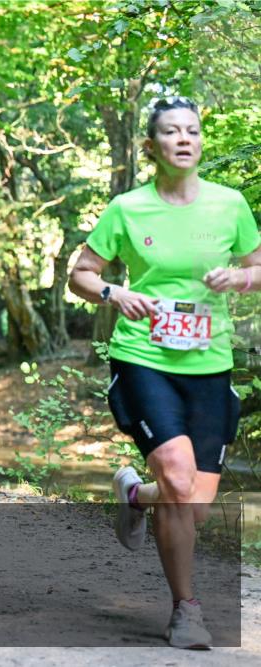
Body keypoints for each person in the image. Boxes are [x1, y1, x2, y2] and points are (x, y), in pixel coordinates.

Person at [69, 97, 261, 649]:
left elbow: (258, 268)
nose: (185, 139)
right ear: (150, 147)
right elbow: (81, 274)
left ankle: (133, 496)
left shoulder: (231, 205)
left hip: (209, 363)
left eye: (193, 131)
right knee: (177, 478)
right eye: (171, 132)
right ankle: (186, 610)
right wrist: (114, 292)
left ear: (202, 143)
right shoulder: (128, 209)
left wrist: (239, 280)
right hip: (143, 357)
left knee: (193, 508)